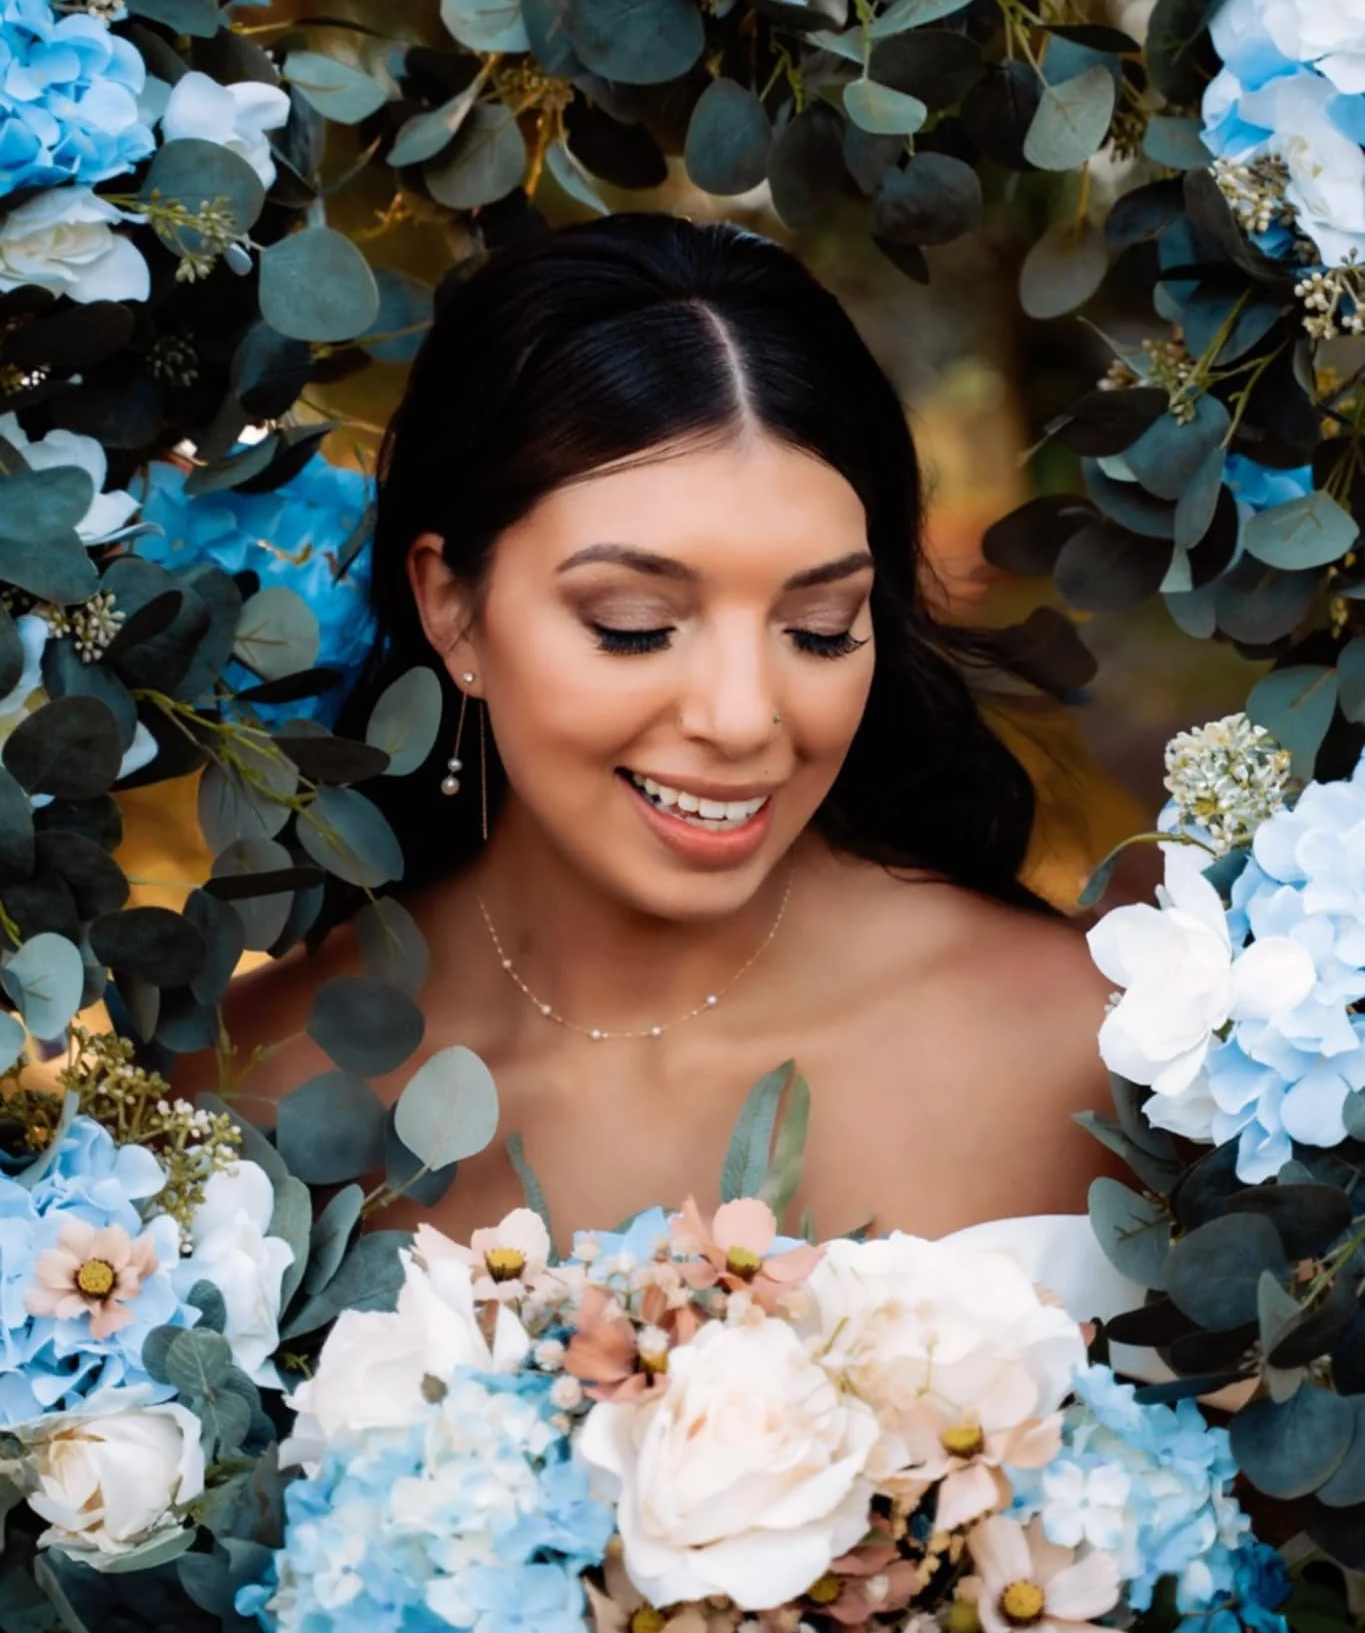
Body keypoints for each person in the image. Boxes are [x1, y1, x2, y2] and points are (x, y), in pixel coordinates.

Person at [200, 214, 1118, 1253]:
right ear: (451, 608)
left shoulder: (1086, 1047)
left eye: (818, 629)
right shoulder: (237, 1093)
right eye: (634, 626)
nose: (740, 717)